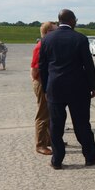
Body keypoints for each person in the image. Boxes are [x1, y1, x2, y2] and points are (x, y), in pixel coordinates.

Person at [38, 9, 95, 169]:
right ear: (72, 20)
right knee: (82, 124)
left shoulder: (47, 39)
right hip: (78, 88)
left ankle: (57, 160)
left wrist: (46, 87)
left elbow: (42, 66)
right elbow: (88, 65)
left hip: (55, 88)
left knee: (56, 124)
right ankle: (90, 156)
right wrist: (92, 85)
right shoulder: (80, 38)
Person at [31, 22, 56, 155]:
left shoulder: (47, 45)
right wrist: (41, 84)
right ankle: (40, 144)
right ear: (47, 32)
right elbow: (35, 70)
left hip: (47, 81)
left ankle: (48, 139)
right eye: (54, 31)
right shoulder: (40, 47)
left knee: (49, 112)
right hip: (41, 82)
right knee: (42, 114)